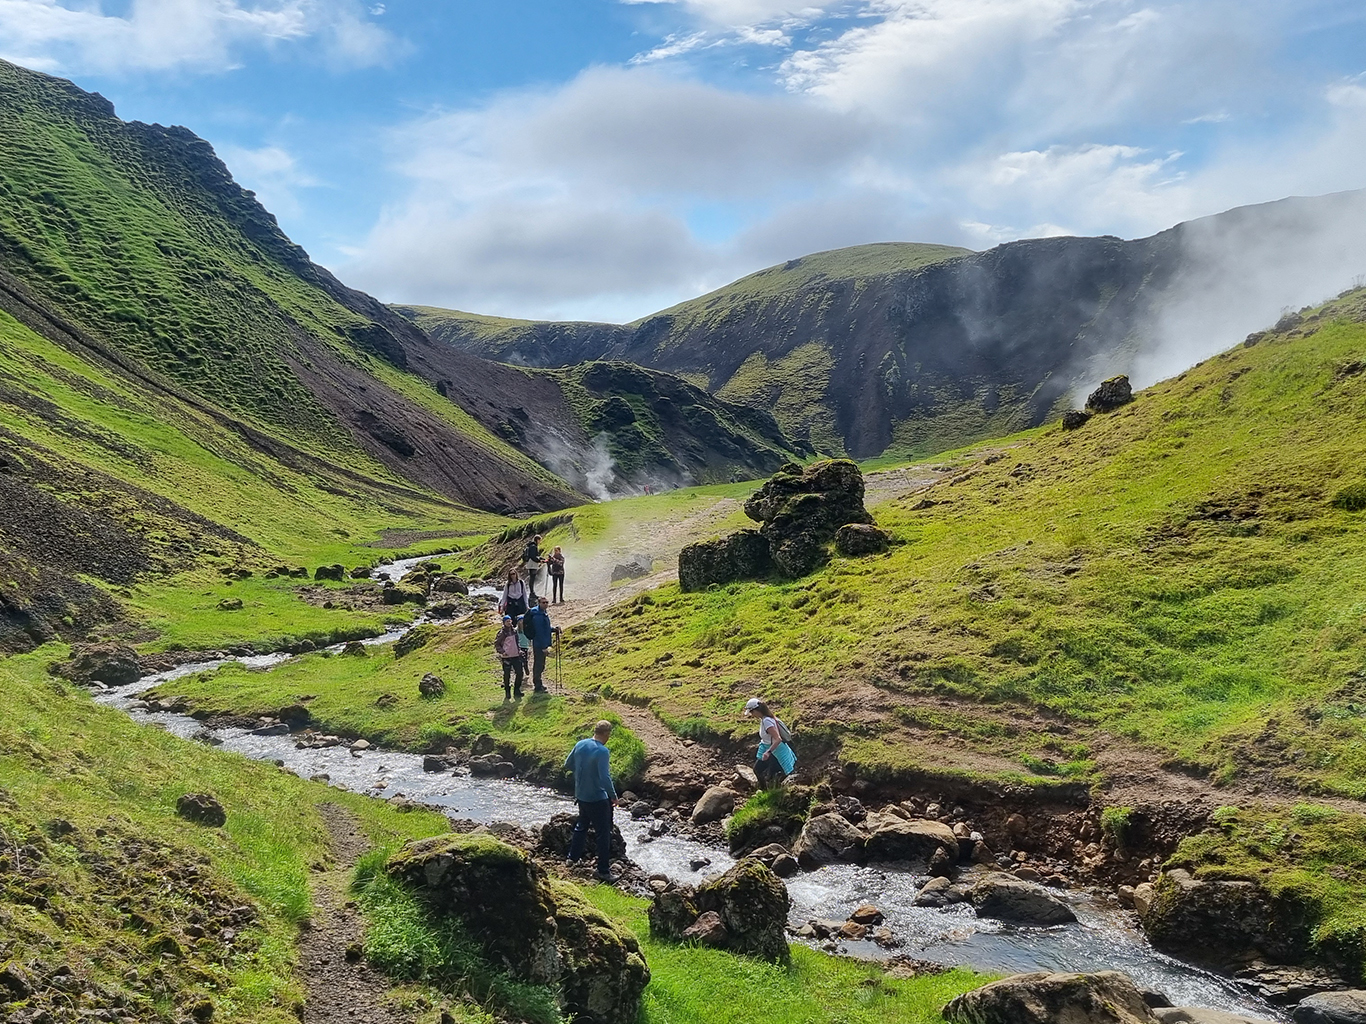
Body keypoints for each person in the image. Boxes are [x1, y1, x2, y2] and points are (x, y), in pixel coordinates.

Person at [563, 720, 617, 881]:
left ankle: (572, 858)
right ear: (606, 734)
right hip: (598, 798)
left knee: (582, 826)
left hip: (581, 795)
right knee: (603, 833)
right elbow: (605, 777)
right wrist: (613, 796)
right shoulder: (602, 751)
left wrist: (584, 773)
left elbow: (568, 764)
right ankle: (603, 870)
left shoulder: (580, 744)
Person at [744, 698, 796, 788]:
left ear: (756, 710)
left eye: (752, 712)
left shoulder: (767, 721)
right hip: (770, 749)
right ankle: (768, 791)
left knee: (760, 770)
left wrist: (768, 752)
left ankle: (767, 792)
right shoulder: (765, 719)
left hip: (775, 750)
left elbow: (778, 739)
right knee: (768, 773)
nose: (752, 715)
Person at [523, 596, 556, 693]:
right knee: (539, 664)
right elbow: (539, 632)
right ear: (539, 603)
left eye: (546, 602)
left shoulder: (542, 612)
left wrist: (553, 629)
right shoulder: (537, 615)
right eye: (543, 603)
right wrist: (543, 647)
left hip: (540, 643)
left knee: (540, 664)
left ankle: (538, 683)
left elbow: (545, 628)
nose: (545, 604)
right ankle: (537, 685)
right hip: (539, 644)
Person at [494, 615, 524, 700]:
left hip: (516, 655)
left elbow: (517, 642)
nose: (509, 622)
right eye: (507, 621)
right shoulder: (502, 633)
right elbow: (497, 644)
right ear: (504, 623)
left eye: (510, 621)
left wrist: (519, 650)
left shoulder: (514, 631)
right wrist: (502, 652)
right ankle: (507, 691)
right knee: (507, 675)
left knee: (520, 673)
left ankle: (517, 690)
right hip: (506, 657)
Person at [522, 534, 544, 599]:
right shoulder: (534, 546)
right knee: (532, 578)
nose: (540, 542)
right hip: (532, 564)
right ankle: (532, 593)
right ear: (537, 540)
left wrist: (542, 559)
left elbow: (535, 556)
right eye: (540, 540)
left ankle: (532, 592)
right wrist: (539, 561)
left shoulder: (530, 546)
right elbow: (533, 556)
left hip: (530, 563)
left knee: (532, 578)